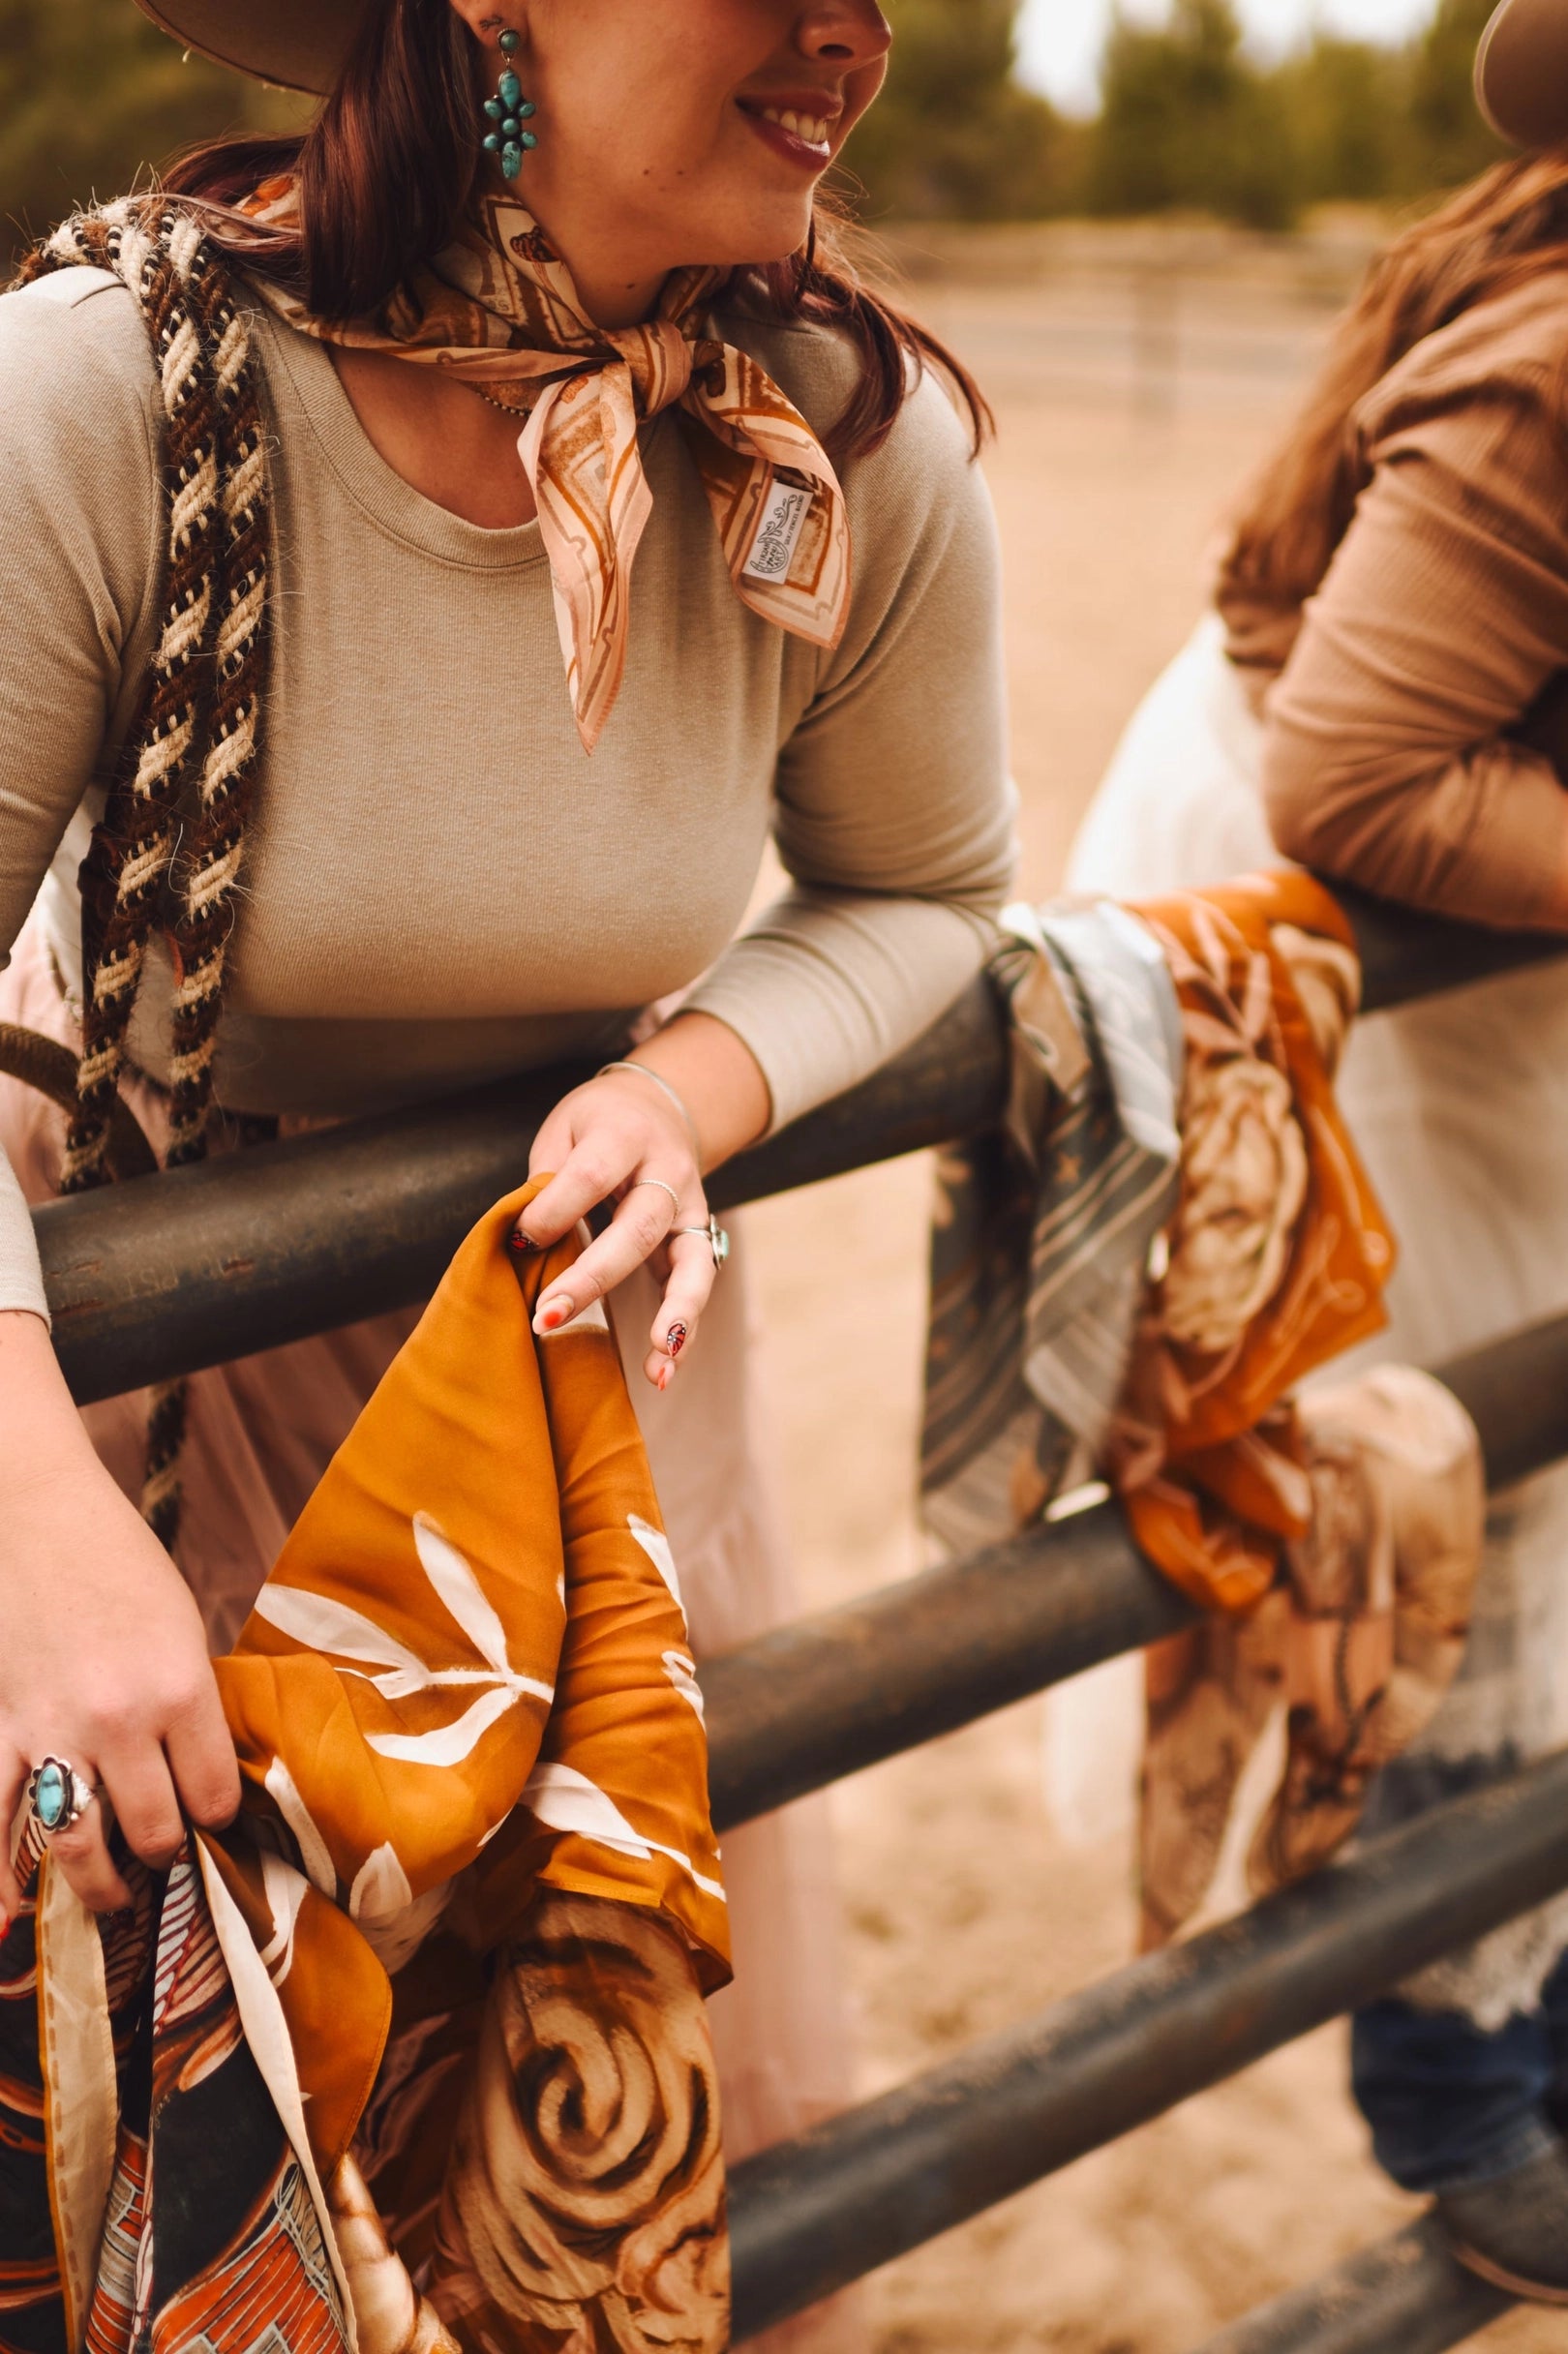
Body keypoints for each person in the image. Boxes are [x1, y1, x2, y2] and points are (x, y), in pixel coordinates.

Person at [0, 4, 1014, 2342]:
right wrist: (37, 1522)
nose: (851, 33)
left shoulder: (847, 439)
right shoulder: (112, 395)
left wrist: (694, 1088)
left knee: (593, 2170)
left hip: (591, 1390)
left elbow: (930, 890)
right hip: (137, 1380)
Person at [1062, 0, 1568, 2306]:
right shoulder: (1552, 367)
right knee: (1454, 1461)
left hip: (1482, 904)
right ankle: (1462, 2088)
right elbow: (1357, 770)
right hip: (1338, 922)